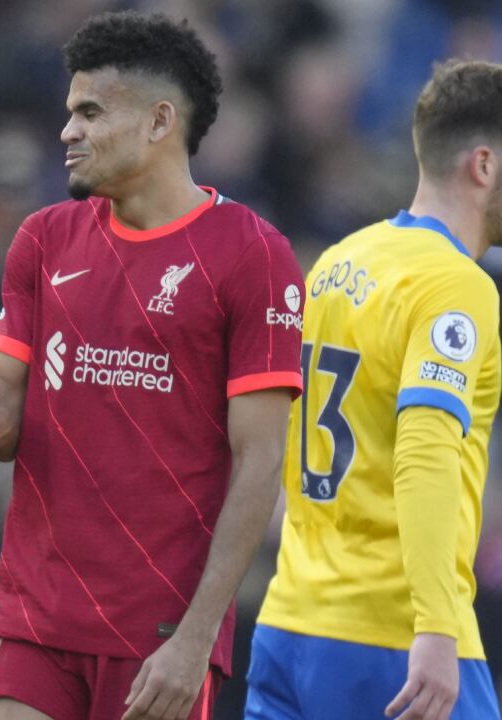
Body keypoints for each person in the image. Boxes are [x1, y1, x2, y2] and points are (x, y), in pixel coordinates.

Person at [0, 12, 305, 720]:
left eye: (89, 112)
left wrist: (197, 638)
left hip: (161, 634)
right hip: (34, 618)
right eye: (68, 112)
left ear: (158, 121)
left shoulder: (252, 255)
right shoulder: (44, 240)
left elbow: (260, 462)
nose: (66, 132)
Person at [248, 60, 502, 720]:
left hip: (291, 625)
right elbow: (424, 452)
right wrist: (437, 627)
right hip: (394, 636)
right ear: (483, 165)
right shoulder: (456, 285)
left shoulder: (336, 263)